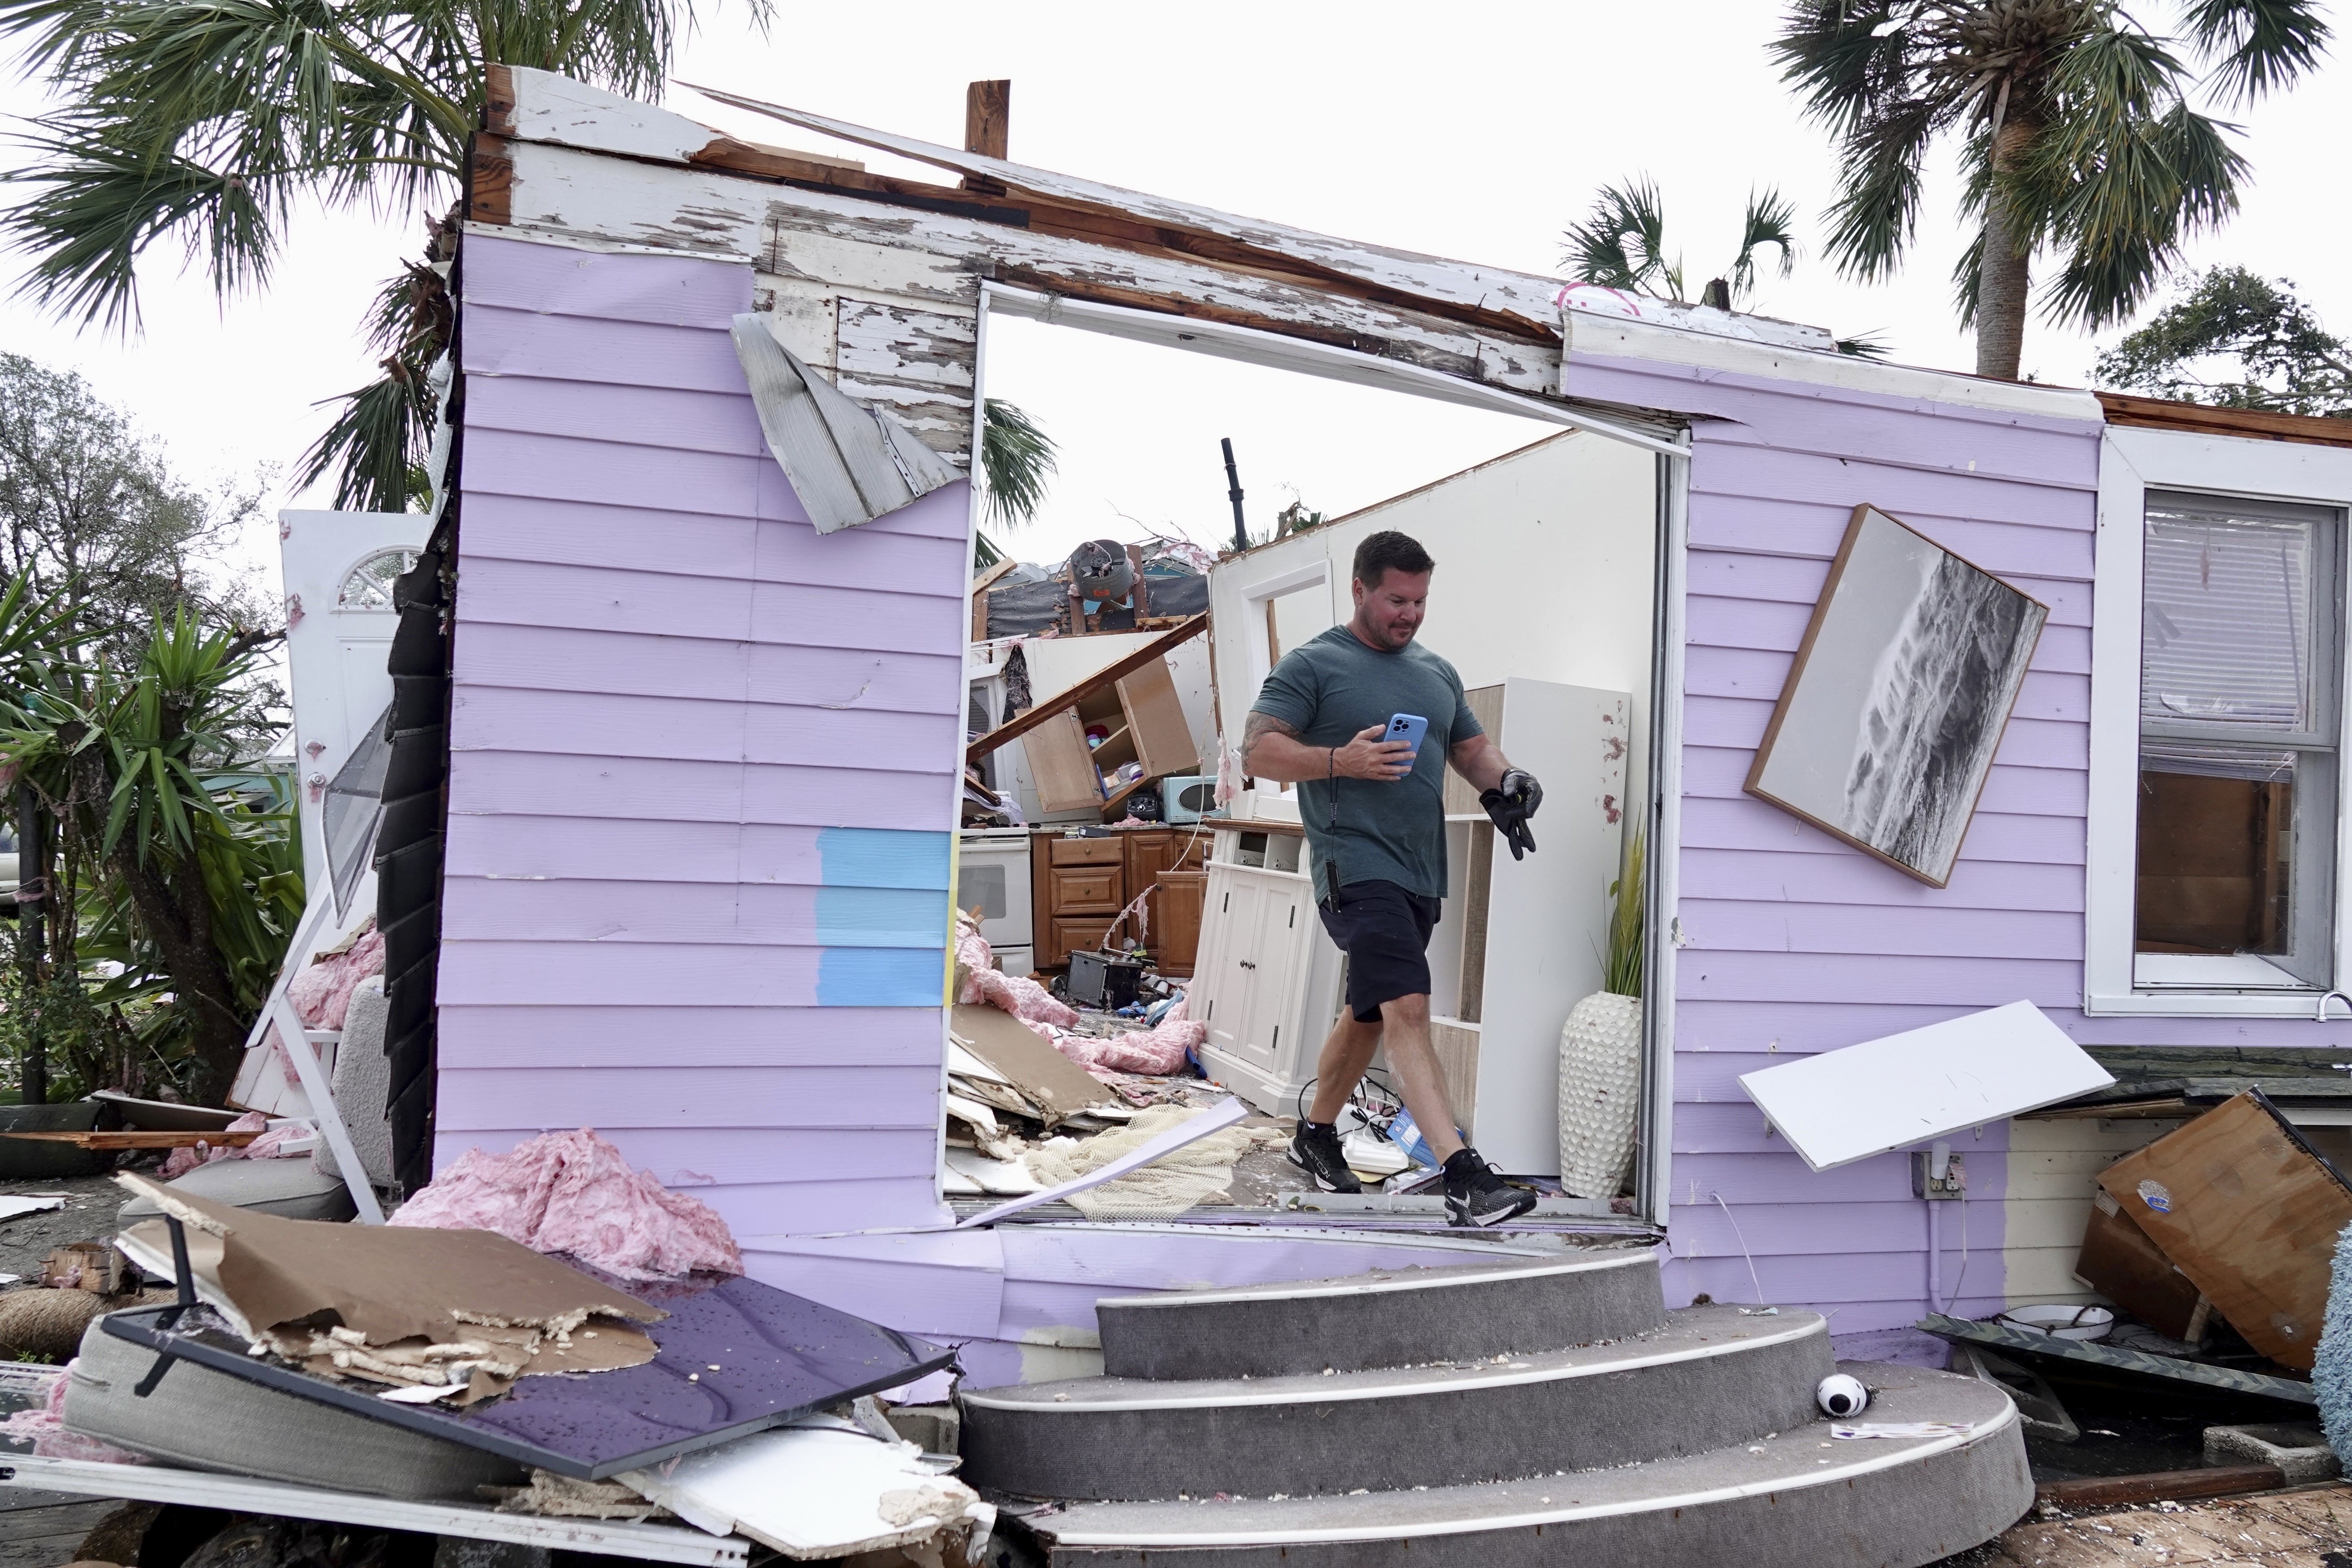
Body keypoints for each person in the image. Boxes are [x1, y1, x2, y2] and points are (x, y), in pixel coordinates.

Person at [1242, 529, 1542, 1227]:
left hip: (1419, 869)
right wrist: (1337, 762)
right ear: (1360, 589)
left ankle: (1314, 1137)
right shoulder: (1315, 664)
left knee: (1371, 1013)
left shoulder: (1435, 672)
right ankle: (1464, 1175)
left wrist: (1509, 781)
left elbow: (1470, 748)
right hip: (1356, 865)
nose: (1409, 614)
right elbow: (1259, 750)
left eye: (1420, 601)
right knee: (1408, 1004)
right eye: (1396, 600)